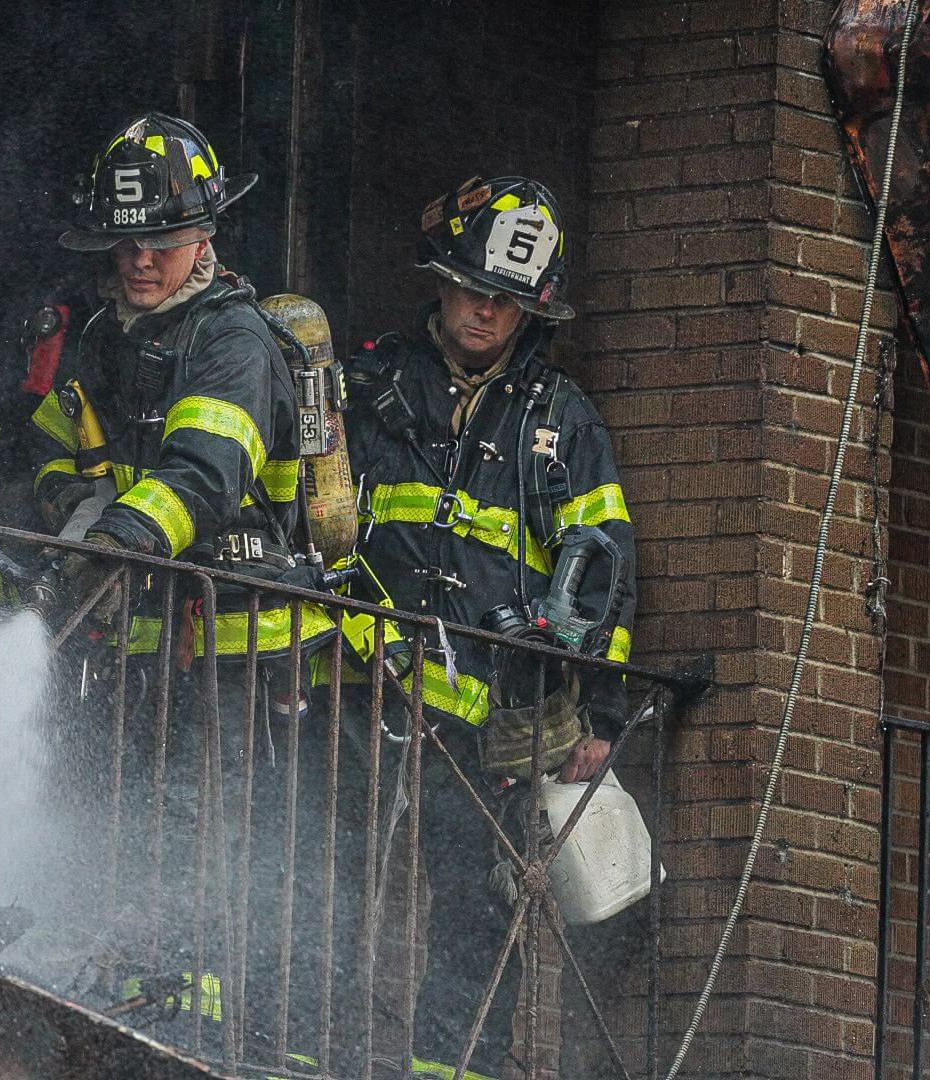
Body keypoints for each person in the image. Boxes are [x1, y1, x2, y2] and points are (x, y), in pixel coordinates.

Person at [24, 111, 342, 1070]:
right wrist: (71, 510)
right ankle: (124, 991)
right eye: (125, 244)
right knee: (120, 811)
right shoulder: (105, 341)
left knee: (199, 824)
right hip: (141, 639)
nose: (140, 262)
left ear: (204, 236)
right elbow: (47, 447)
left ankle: (195, 1025)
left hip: (235, 645)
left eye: (161, 242)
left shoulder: (233, 341)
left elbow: (206, 473)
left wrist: (116, 538)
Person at [343, 176, 637, 1077]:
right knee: (322, 874)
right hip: (362, 686)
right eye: (474, 289)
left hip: (490, 723)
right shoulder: (373, 387)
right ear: (441, 281)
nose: (484, 312)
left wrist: (606, 717)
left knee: (478, 914)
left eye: (506, 302)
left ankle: (451, 1071)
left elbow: (606, 571)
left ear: (531, 312)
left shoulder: (562, 423)